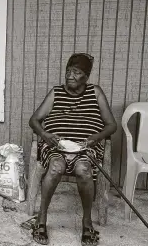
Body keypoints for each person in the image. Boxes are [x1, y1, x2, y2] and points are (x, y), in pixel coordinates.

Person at [29, 53, 117, 246]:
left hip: (86, 146)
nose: (70, 76)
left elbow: (111, 125)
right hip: (55, 145)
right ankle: (41, 219)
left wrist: (96, 138)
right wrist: (45, 136)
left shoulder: (96, 92)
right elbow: (34, 120)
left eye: (76, 72)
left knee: (84, 170)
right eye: (68, 71)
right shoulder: (56, 92)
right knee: (55, 167)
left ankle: (86, 222)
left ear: (85, 77)